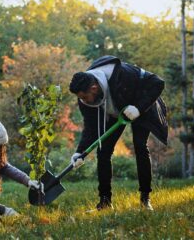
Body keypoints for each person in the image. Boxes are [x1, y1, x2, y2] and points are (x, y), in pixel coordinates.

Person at [69, 55, 168, 211]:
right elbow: (90, 128)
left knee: (140, 146)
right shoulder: (86, 99)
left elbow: (158, 83)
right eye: (80, 98)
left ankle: (145, 199)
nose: (84, 100)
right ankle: (105, 202)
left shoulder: (123, 74)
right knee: (103, 151)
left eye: (84, 96)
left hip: (141, 106)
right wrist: (79, 152)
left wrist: (138, 108)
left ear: (94, 88)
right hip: (116, 111)